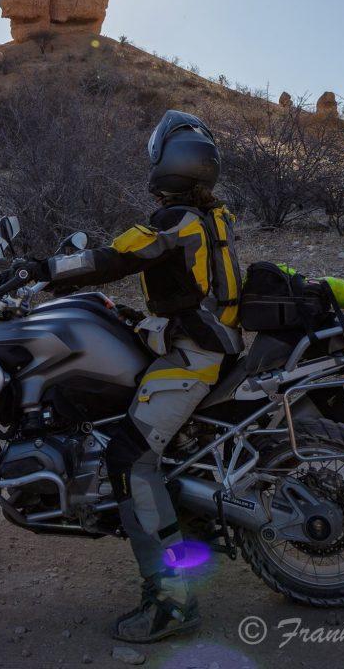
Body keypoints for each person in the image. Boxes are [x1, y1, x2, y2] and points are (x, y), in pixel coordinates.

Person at [23, 110, 243, 643]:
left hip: (192, 357)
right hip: (207, 344)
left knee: (130, 458)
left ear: (170, 160)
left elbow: (113, 257)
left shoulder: (174, 222)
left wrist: (41, 269)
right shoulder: (214, 216)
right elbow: (178, 284)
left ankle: (171, 601)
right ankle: (193, 531)